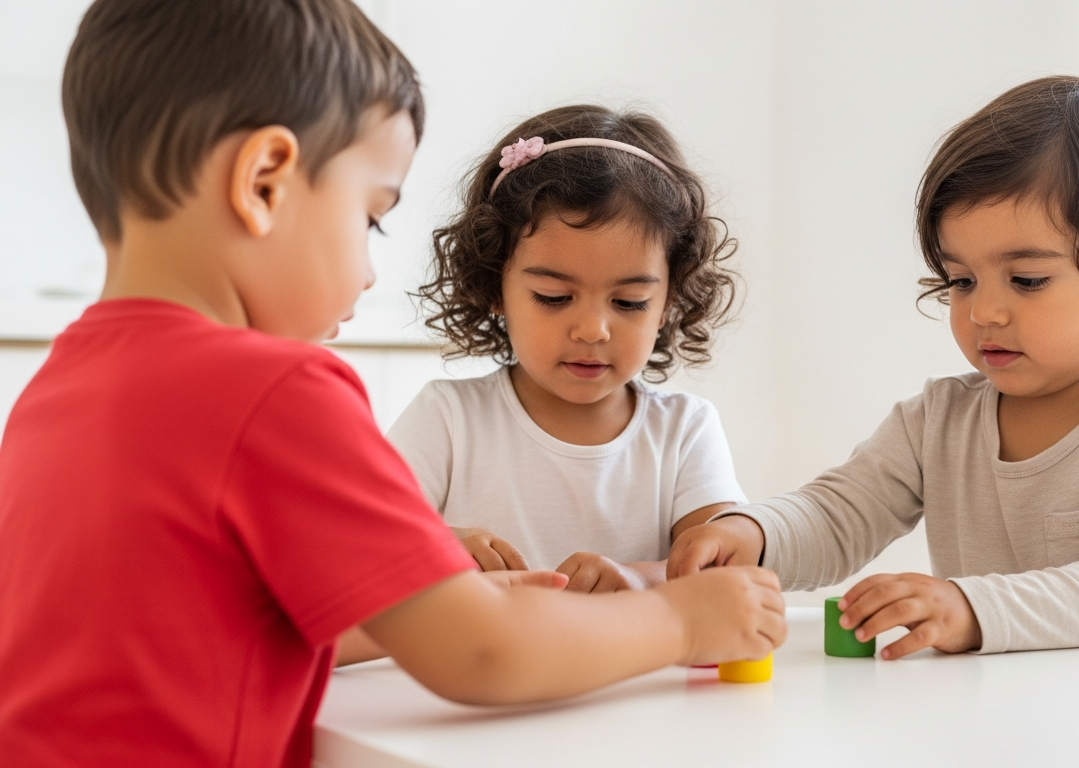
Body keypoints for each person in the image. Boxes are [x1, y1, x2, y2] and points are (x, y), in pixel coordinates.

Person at [0, 2, 783, 765]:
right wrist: (680, 623)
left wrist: (431, 587)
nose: (371, 268)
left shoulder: (55, 393)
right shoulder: (278, 392)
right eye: (369, 216)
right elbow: (480, 654)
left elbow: (258, 627)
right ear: (265, 181)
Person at [669, 75, 1079, 660]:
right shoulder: (938, 419)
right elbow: (837, 516)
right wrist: (752, 534)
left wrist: (968, 607)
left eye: (1027, 280)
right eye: (961, 280)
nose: (983, 311)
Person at [388, 105, 745, 593]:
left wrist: (638, 579)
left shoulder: (684, 431)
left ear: (669, 301)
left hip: (636, 670)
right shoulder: (447, 419)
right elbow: (359, 544)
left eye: (629, 302)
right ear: (495, 286)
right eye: (554, 298)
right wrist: (436, 545)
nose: (593, 330)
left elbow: (726, 567)